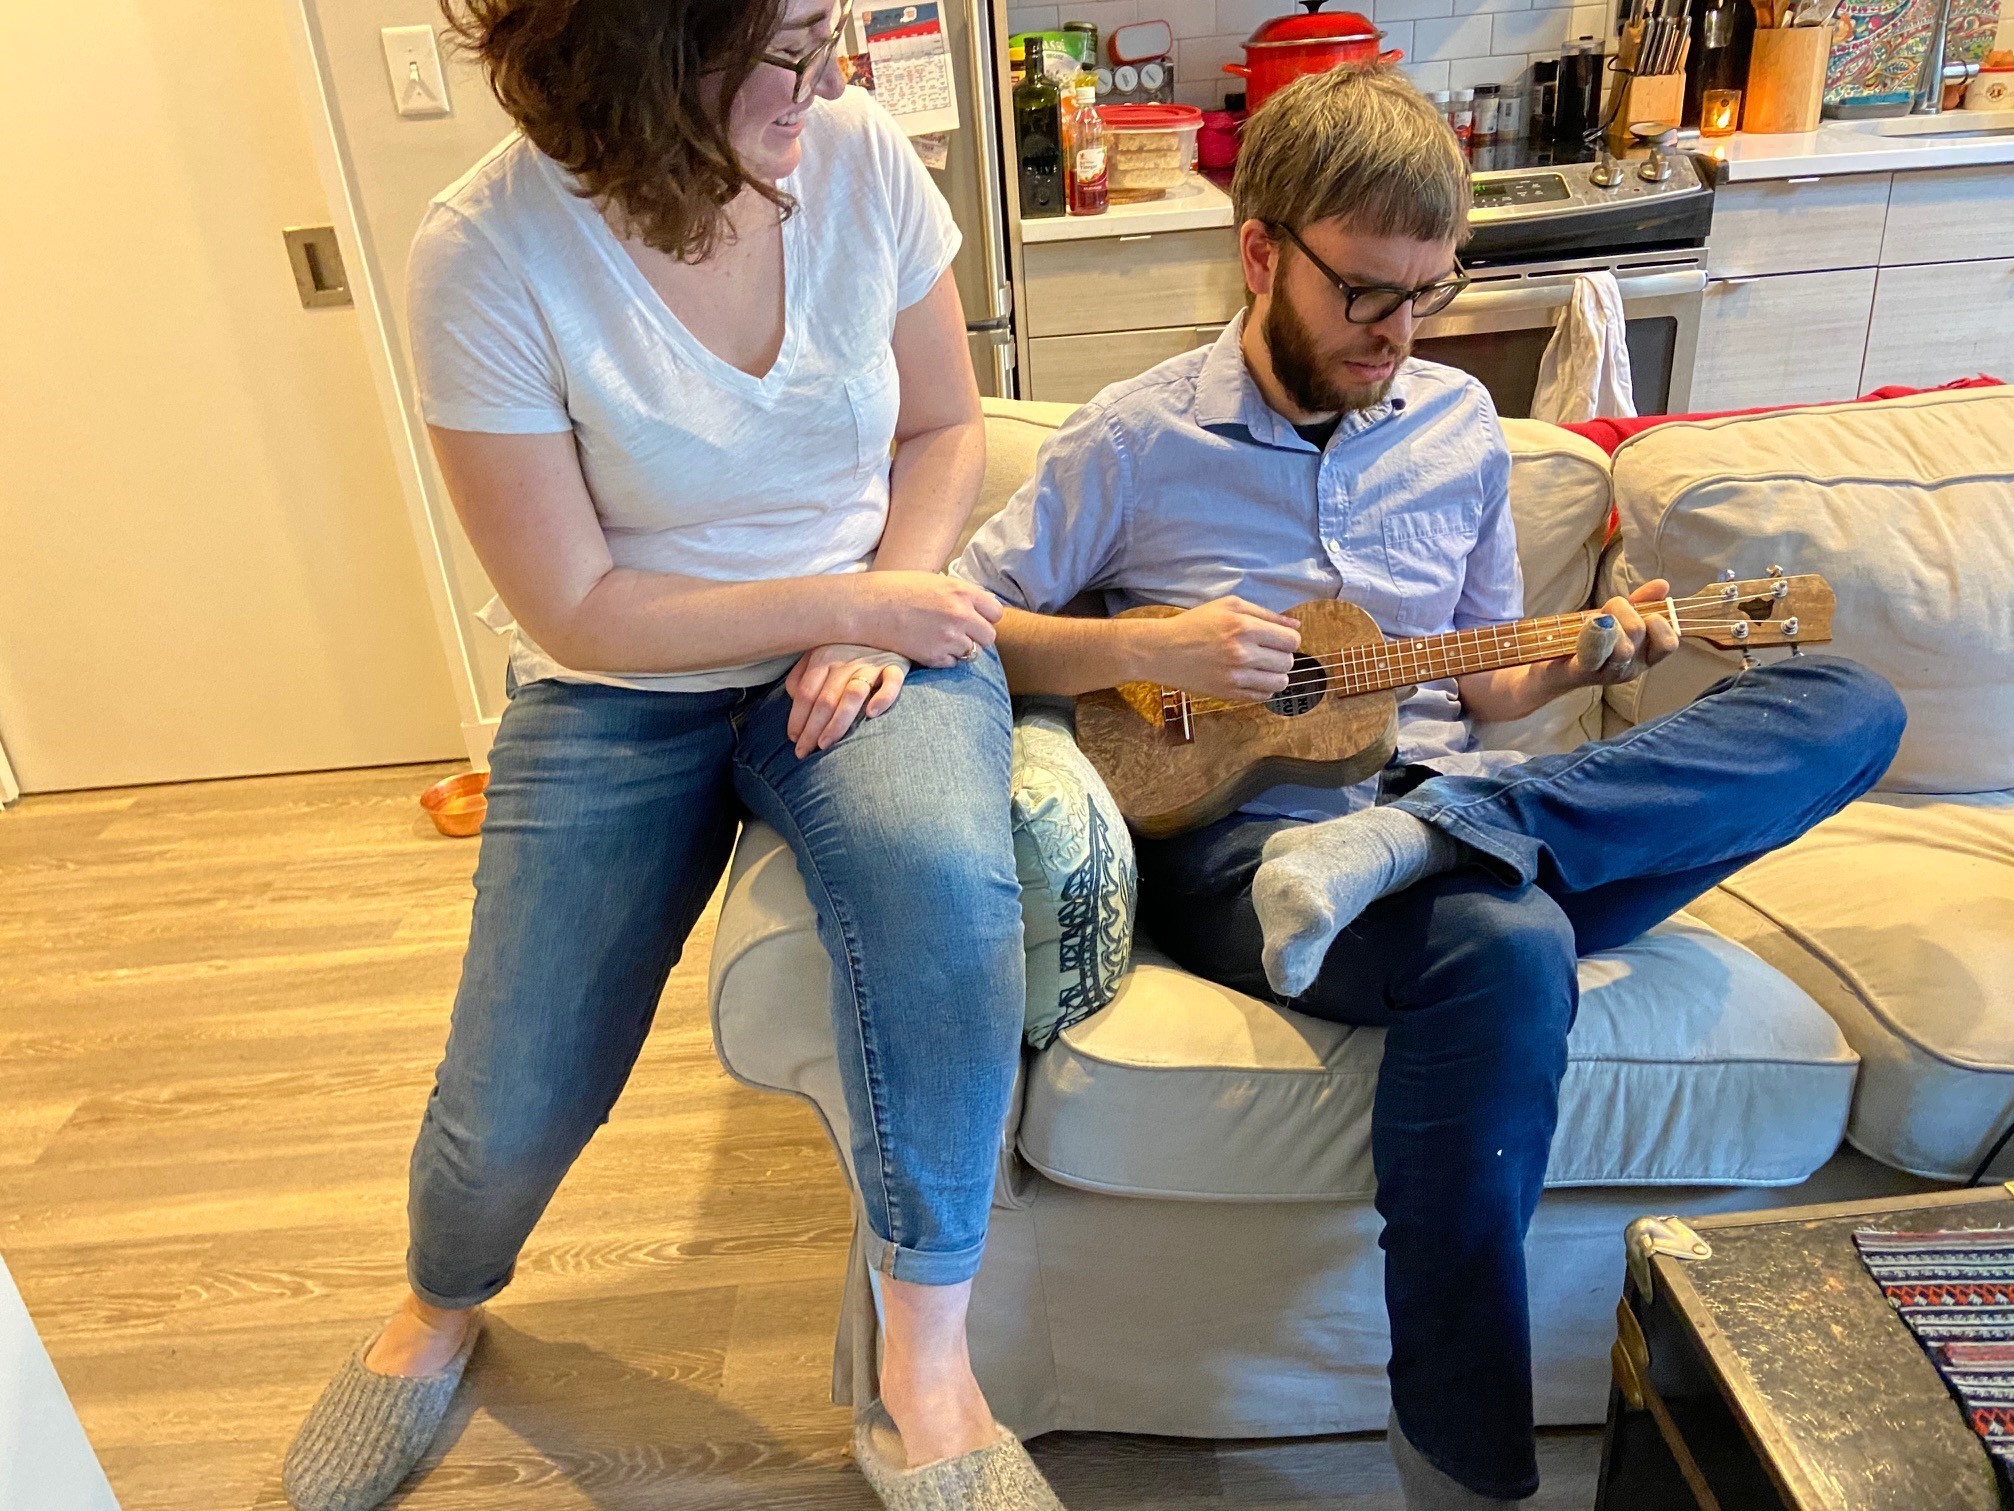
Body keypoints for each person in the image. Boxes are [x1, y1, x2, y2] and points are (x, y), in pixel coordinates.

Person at [955, 64, 1905, 1510]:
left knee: (1850, 703)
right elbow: (960, 619)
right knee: (1508, 944)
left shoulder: (1456, 427)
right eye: (1363, 294)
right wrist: (1144, 641)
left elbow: (1486, 686)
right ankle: (1465, 1469)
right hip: (1246, 856)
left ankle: (1430, 835)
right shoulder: (1131, 439)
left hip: (1439, 798)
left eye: (1425, 295)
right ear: (1260, 250)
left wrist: (1596, 654)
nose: (1395, 333)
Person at [281, 3, 1069, 1509]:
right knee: (514, 1083)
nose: (830, 75)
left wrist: (883, 618)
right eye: (789, 49)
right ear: (645, 58)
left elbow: (941, 428)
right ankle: (436, 1305)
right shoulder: (487, 253)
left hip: (867, 642)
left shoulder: (860, 160)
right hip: (618, 680)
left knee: (942, 902)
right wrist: (847, 599)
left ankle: (926, 1371)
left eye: (829, 29)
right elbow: (576, 602)